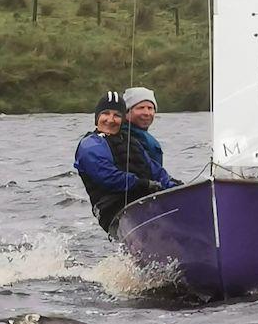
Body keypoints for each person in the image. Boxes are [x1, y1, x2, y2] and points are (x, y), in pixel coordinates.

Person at [74, 90, 179, 233]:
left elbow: (155, 170)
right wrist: (143, 184)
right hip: (114, 212)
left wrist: (175, 186)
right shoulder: (90, 145)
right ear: (97, 117)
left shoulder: (133, 143)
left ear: (123, 119)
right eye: (106, 113)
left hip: (144, 204)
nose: (110, 119)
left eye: (117, 115)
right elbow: (107, 177)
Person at [122, 86, 163, 165]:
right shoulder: (122, 138)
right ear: (127, 112)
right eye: (141, 108)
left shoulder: (144, 138)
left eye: (150, 108)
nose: (146, 113)